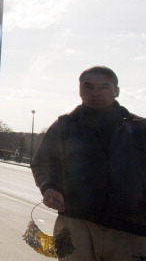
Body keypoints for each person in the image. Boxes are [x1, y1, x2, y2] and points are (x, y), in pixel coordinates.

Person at [31, 66, 146, 261]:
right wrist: (49, 187)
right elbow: (43, 163)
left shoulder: (140, 128)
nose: (95, 92)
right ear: (79, 89)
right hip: (76, 224)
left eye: (103, 86)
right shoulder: (64, 126)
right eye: (88, 86)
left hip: (130, 230)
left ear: (116, 91)